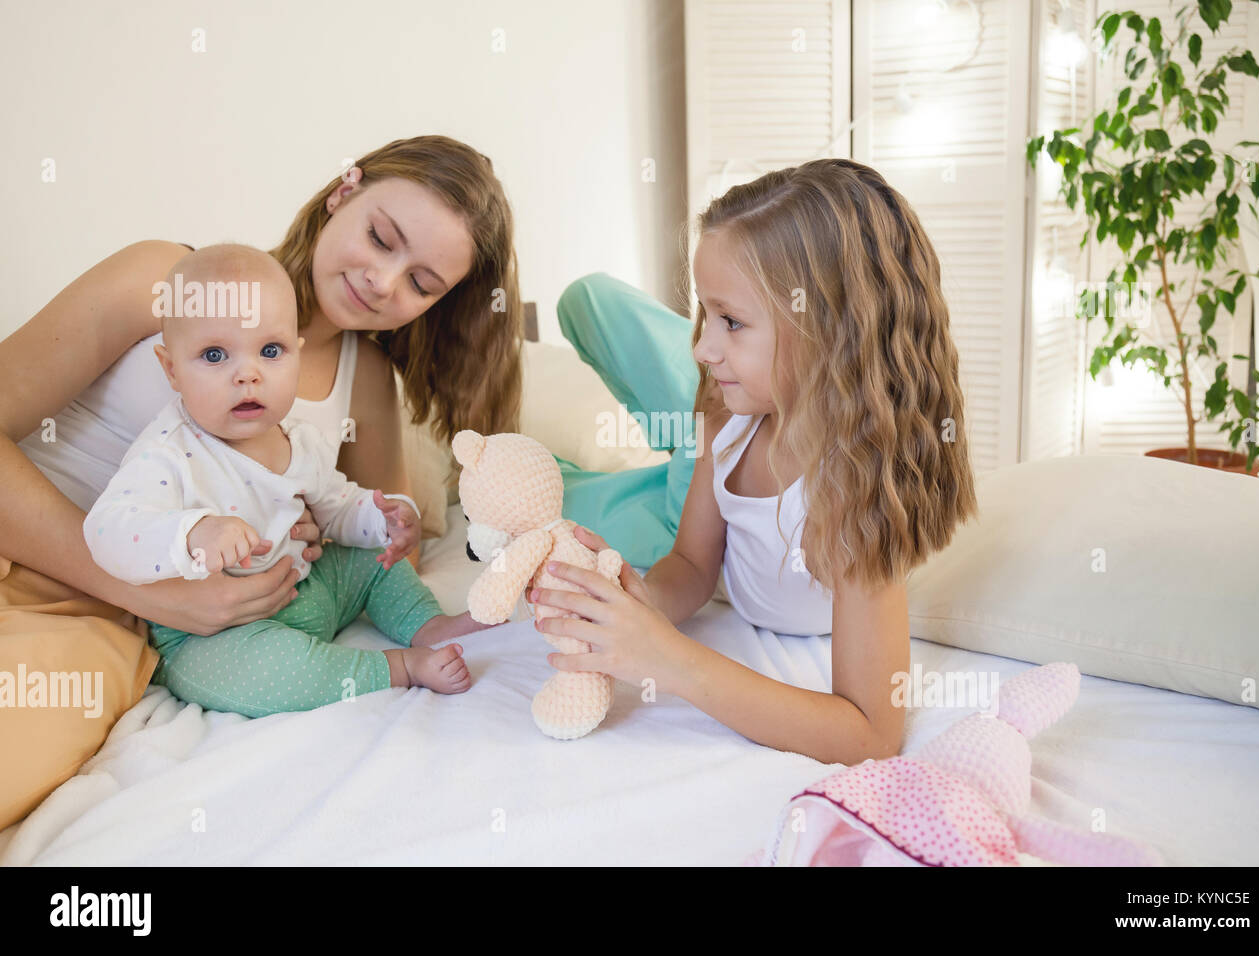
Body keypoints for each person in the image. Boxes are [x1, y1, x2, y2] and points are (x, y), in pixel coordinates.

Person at [0, 135, 519, 828]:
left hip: (121, 627)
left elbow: (391, 541)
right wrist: (164, 592)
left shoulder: (363, 378)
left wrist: (315, 522)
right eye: (380, 236)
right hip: (41, 554)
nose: (384, 281)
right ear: (343, 191)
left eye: (422, 284)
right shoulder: (163, 278)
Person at [537, 158, 980, 765]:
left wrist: (666, 658)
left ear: (832, 328)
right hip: (724, 432)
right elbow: (694, 561)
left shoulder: (857, 478)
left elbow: (870, 734)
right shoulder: (726, 418)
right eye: (705, 314)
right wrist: (644, 601)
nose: (702, 346)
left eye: (732, 321)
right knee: (554, 498)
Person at [84, 244, 476, 716]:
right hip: (219, 629)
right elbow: (105, 529)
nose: (247, 375)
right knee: (272, 674)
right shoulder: (169, 453)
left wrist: (382, 518)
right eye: (214, 355)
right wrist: (192, 533)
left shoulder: (300, 439)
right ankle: (396, 667)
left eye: (271, 351)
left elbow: (336, 506)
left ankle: (429, 625)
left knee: (370, 559)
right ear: (172, 369)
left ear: (296, 354)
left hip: (307, 588)